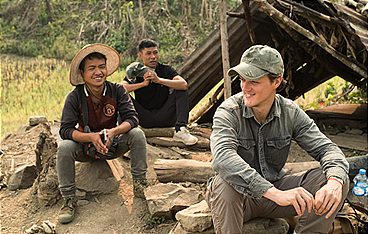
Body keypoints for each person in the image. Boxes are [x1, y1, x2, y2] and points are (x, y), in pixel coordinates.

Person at [206, 45, 349, 233]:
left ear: (276, 81)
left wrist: (334, 183)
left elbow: (327, 149)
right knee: (225, 185)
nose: (245, 87)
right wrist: (275, 194)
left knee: (337, 179)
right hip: (238, 199)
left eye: (254, 81)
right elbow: (223, 159)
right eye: (242, 79)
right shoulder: (229, 111)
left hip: (275, 194)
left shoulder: (290, 112)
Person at [57, 43, 148, 224]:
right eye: (91, 68)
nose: (98, 72)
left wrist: (114, 131)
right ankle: (68, 198)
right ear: (82, 74)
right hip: (86, 148)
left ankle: (140, 184)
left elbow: (132, 119)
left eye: (101, 67)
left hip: (112, 145)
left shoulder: (117, 90)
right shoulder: (74, 97)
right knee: (65, 147)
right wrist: (90, 137)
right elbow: (65, 129)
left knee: (137, 134)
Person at [122, 39, 198, 145]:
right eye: (148, 53)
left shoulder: (165, 69)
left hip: (165, 116)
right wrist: (142, 84)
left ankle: (180, 130)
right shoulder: (135, 70)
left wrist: (158, 80)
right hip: (144, 118)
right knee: (121, 95)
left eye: (155, 52)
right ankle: (124, 131)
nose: (153, 57)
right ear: (140, 55)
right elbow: (121, 88)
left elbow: (183, 84)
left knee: (181, 90)